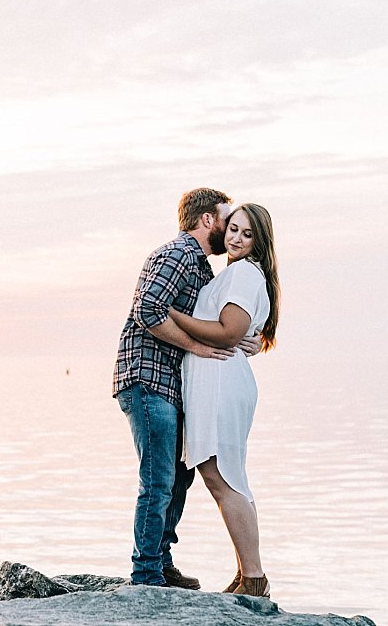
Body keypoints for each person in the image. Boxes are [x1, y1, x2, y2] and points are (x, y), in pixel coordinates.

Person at [112, 187, 238, 589]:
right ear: (207, 220)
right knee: (159, 478)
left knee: (179, 477)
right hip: (148, 379)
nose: (230, 225)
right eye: (225, 216)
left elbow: (209, 321)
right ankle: (145, 575)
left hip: (171, 386)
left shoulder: (201, 267)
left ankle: (160, 562)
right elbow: (148, 309)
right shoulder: (178, 254)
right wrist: (196, 347)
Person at [162, 203, 280, 598]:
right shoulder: (236, 273)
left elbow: (229, 332)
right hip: (217, 381)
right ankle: (247, 575)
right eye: (234, 229)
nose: (236, 238)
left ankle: (255, 579)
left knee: (223, 478)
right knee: (227, 478)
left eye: (248, 234)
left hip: (220, 383)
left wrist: (174, 315)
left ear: (259, 242)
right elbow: (242, 333)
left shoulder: (245, 273)